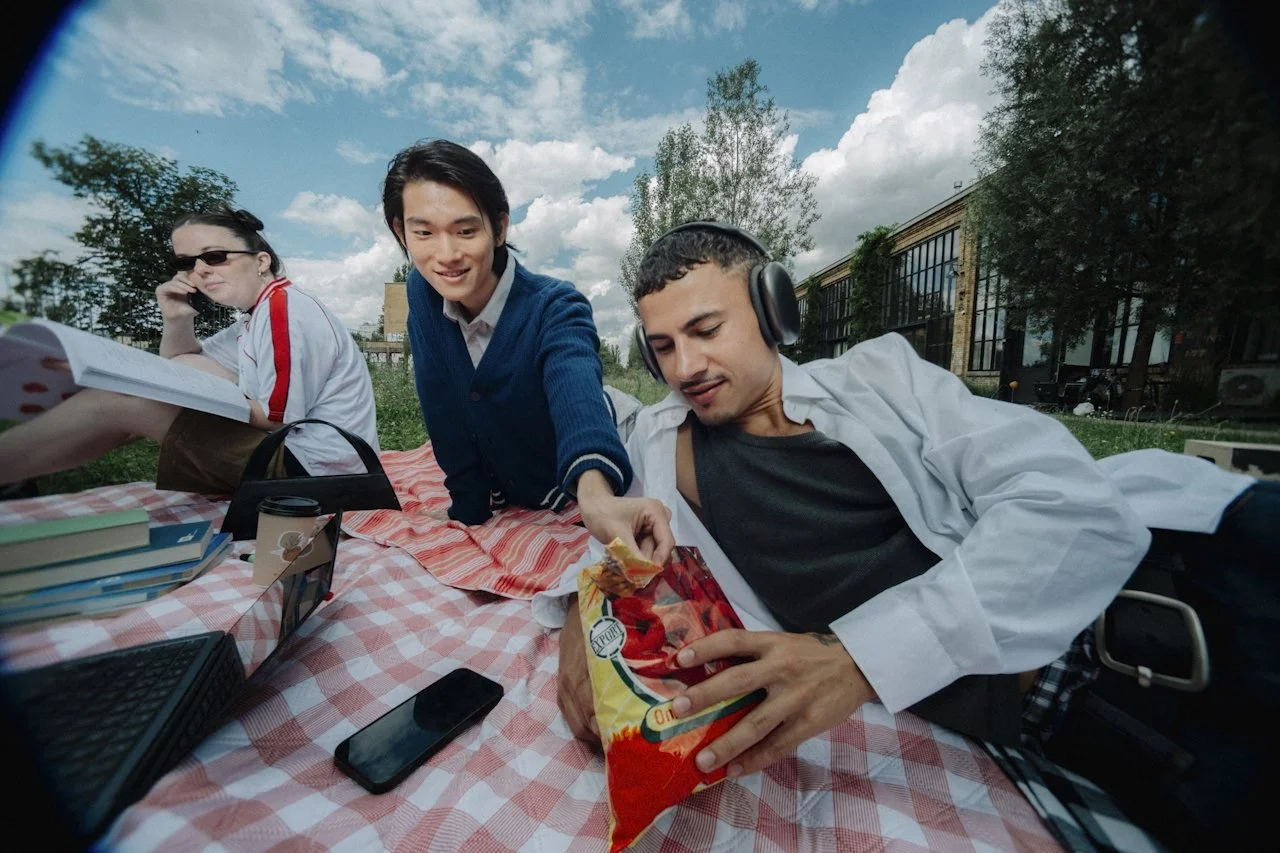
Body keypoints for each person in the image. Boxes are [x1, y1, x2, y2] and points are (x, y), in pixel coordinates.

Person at [539, 220, 1168, 772]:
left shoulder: (882, 379)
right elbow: (616, 540)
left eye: (706, 329)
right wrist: (576, 617)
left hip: (1133, 618)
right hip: (1046, 727)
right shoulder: (661, 442)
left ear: (771, 311)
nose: (686, 368)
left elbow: (1067, 500)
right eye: (664, 348)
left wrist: (859, 661)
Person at [381, 139, 673, 558]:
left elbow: (577, 399)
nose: (446, 255)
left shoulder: (555, 305)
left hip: (612, 442)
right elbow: (441, 406)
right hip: (520, 472)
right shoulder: (422, 294)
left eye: (466, 231)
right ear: (401, 232)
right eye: (423, 233)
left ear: (499, 228)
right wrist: (468, 509)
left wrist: (595, 499)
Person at [0, 207, 380, 494]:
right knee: (131, 396)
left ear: (261, 260)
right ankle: (19, 475)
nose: (199, 270)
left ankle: (12, 471)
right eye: (186, 263)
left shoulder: (284, 310)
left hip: (322, 476)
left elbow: (274, 416)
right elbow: (181, 365)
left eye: (214, 256)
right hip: (306, 460)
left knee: (119, 402)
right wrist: (177, 317)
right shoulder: (254, 317)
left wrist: (190, 398)